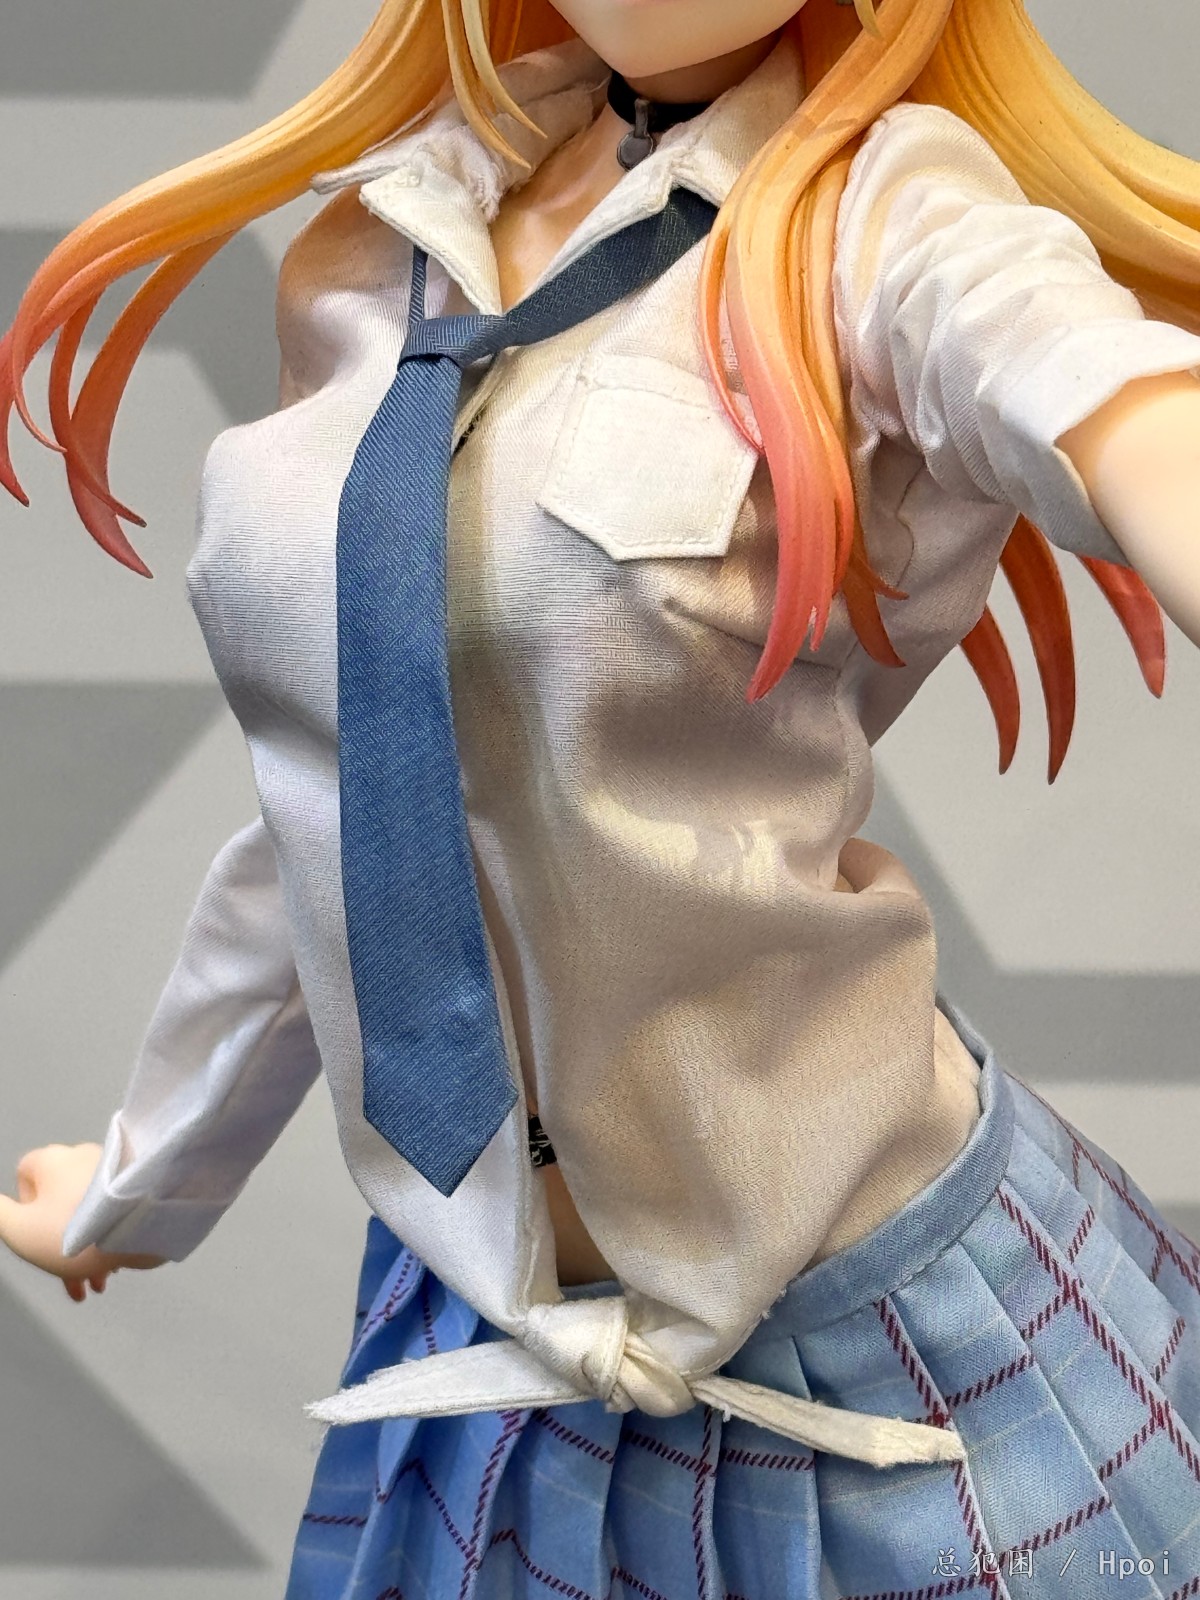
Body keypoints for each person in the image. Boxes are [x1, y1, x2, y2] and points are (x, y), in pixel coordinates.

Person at [2, 0, 1200, 1594]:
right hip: (488, 1334)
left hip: (883, 1329)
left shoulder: (880, 218)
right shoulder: (378, 249)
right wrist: (144, 1177)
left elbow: (1080, 373)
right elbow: (351, 801)